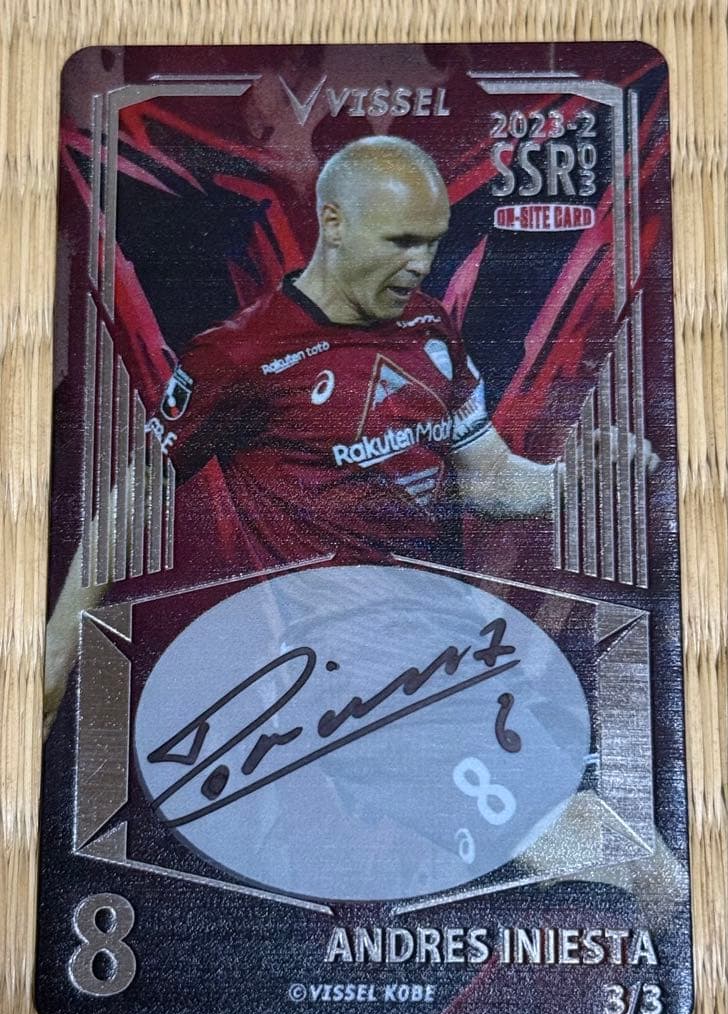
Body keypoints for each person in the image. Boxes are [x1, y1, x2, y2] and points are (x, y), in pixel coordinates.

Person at [43, 136, 557, 716]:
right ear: (334, 224)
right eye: (401, 242)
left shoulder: (430, 325)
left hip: (443, 653)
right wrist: (57, 650)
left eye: (432, 243)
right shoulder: (240, 354)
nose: (420, 265)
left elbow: (490, 479)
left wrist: (578, 482)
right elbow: (140, 492)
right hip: (330, 685)